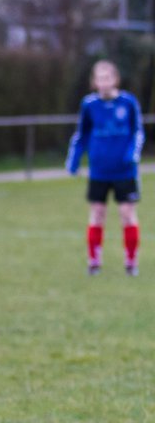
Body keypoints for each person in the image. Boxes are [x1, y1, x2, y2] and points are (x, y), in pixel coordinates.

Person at [67, 60, 143, 276]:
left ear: (115, 79)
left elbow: (138, 132)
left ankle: (130, 261)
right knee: (97, 213)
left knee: (127, 213)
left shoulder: (128, 102)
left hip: (124, 171)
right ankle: (94, 261)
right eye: (99, 78)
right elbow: (81, 135)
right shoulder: (89, 105)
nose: (104, 82)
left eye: (107, 77)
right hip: (99, 171)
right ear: (94, 82)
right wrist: (74, 160)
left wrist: (131, 154)